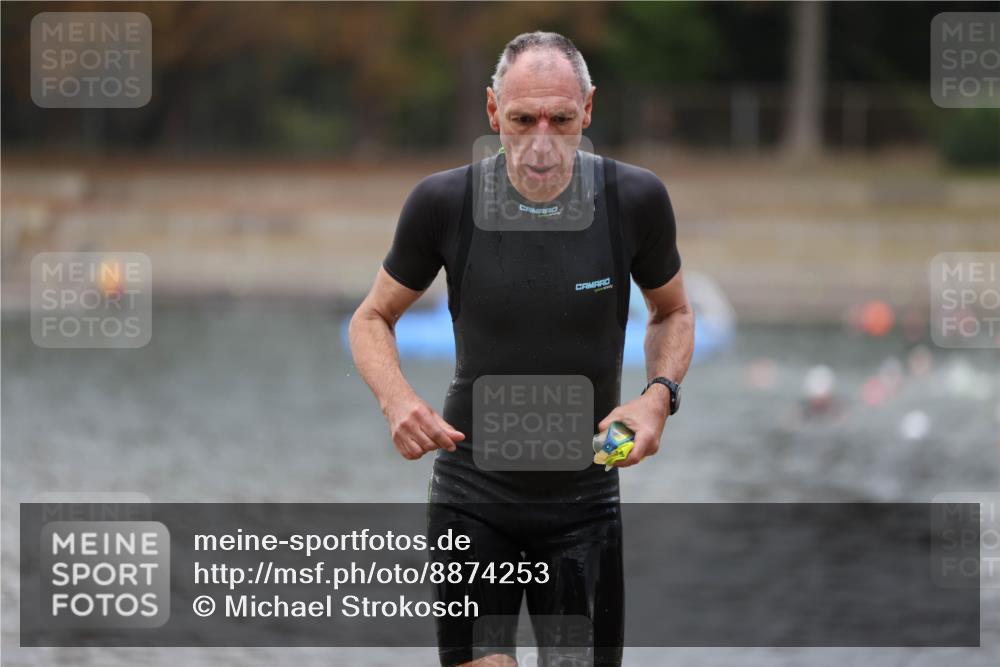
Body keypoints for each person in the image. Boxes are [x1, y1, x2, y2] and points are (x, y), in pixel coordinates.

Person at [350, 30, 694, 667]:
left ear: (588, 110)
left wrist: (657, 396)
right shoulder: (443, 203)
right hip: (472, 498)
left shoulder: (635, 200)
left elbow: (671, 311)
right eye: (522, 119)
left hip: (586, 503)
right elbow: (372, 317)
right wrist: (396, 400)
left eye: (561, 119)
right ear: (491, 112)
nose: (541, 140)